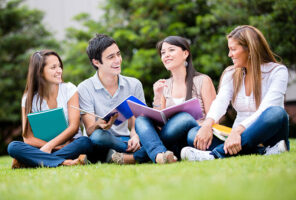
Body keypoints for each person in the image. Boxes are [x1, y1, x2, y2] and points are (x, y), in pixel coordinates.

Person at [181, 25, 290, 161]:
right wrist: (208, 124)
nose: (229, 54)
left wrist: (238, 131)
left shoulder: (278, 72)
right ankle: (262, 152)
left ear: (250, 50)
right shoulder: (231, 73)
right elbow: (220, 102)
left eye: (233, 49)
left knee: (276, 113)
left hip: (267, 135)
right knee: (194, 134)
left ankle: (215, 155)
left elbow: (266, 108)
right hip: (235, 137)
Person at [133, 36, 216, 164]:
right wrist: (157, 95)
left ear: (185, 53)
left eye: (171, 50)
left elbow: (215, 116)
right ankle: (160, 155)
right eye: (163, 53)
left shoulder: (203, 80)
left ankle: (137, 156)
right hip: (172, 141)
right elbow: (160, 123)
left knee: (184, 118)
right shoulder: (164, 85)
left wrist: (204, 126)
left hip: (195, 135)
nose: (166, 55)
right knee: (141, 120)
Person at [7, 50, 93, 168]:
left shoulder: (69, 89)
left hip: (70, 144)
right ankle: (65, 162)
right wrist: (52, 146)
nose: (59, 71)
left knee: (85, 142)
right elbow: (27, 137)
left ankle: (30, 161)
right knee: (13, 147)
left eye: (59, 66)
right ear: (40, 72)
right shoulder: (28, 98)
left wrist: (50, 147)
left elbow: (74, 127)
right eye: (53, 67)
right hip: (47, 147)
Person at [78, 34, 149, 164]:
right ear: (96, 62)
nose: (118, 60)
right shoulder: (84, 88)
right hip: (101, 140)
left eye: (118, 54)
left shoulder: (134, 84)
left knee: (151, 135)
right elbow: (89, 131)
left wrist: (135, 135)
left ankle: (121, 156)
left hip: (125, 138)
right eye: (111, 57)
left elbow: (139, 121)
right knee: (98, 137)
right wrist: (98, 124)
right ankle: (134, 154)